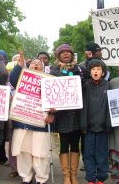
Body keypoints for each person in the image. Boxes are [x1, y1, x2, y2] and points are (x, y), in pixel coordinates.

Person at [10, 50, 54, 184]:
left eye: (38, 63)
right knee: (23, 152)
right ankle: (26, 178)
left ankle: (41, 179)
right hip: (22, 121)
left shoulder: (49, 79)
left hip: (40, 123)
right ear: (29, 66)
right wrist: (20, 63)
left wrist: (52, 113)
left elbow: (55, 99)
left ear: (43, 67)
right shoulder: (22, 77)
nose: (35, 65)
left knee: (40, 153)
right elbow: (13, 79)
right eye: (33, 63)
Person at [50, 44, 84, 184]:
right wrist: (50, 108)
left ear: (72, 54)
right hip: (62, 115)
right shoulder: (53, 71)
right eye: (62, 53)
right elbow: (49, 92)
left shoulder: (79, 69)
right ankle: (66, 176)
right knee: (64, 144)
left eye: (68, 52)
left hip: (76, 113)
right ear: (58, 55)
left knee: (75, 144)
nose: (65, 54)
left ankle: (74, 175)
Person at [81, 59, 111, 184]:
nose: (96, 71)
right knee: (88, 154)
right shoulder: (86, 86)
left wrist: (109, 124)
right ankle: (91, 178)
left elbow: (111, 106)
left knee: (102, 155)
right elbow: (83, 106)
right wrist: (83, 124)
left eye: (98, 69)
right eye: (93, 69)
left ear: (103, 72)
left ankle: (101, 178)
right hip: (88, 128)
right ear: (90, 72)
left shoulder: (108, 86)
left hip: (103, 128)